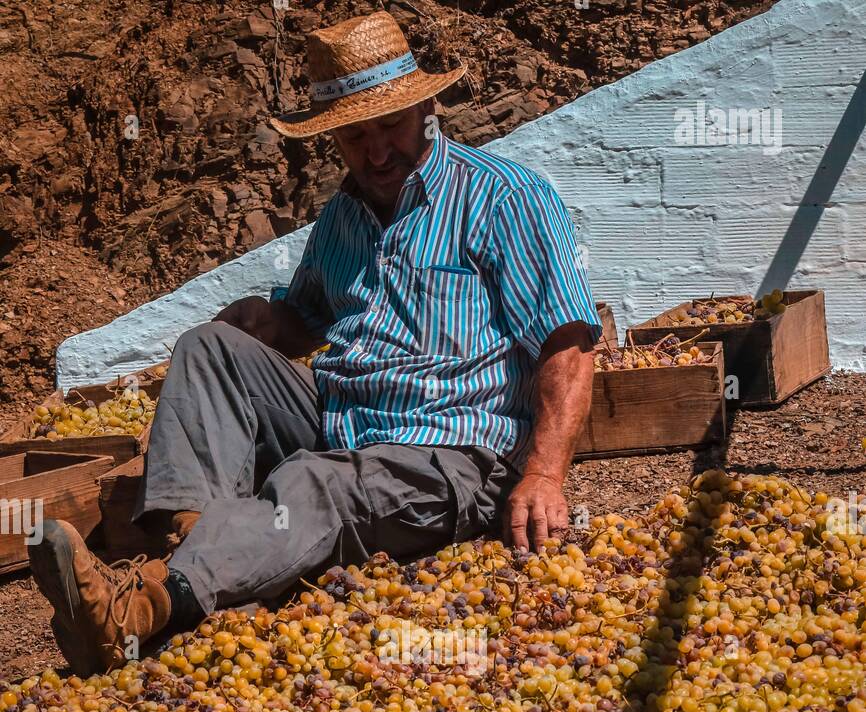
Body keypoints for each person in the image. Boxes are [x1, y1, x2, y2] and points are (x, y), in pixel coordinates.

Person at [29, 9, 600, 678]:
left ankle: (146, 607)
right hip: (343, 422)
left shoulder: (504, 198)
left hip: (449, 455)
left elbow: (568, 344)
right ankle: (206, 562)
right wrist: (267, 325)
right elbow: (310, 317)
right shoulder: (344, 217)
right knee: (209, 349)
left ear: (425, 109)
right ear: (332, 140)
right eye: (355, 137)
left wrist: (544, 475)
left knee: (313, 482)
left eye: (389, 127)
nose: (376, 151)